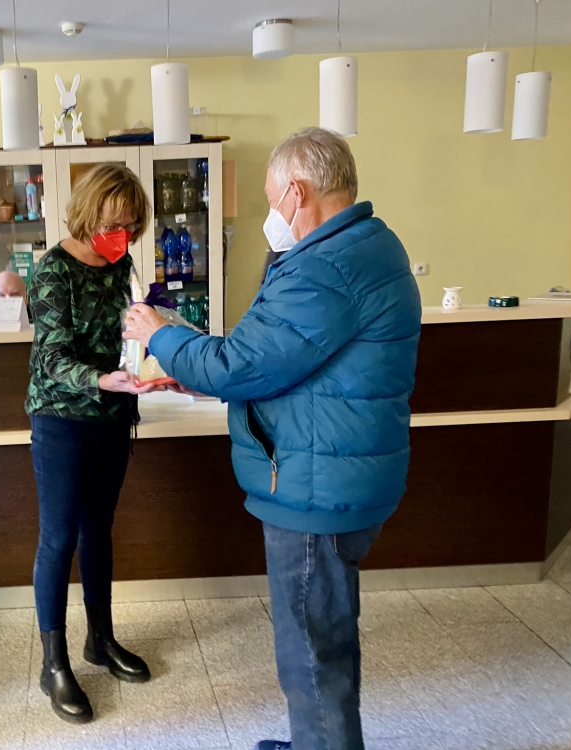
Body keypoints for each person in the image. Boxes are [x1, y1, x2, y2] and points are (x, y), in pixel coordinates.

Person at [125, 127, 422, 750]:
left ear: (297, 190)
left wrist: (159, 335)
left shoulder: (324, 268)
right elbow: (283, 364)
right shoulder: (369, 245)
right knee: (327, 634)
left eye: (270, 198)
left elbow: (241, 365)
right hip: (337, 472)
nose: (271, 213)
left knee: (311, 653)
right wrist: (193, 372)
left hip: (315, 487)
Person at [26, 163, 159, 724]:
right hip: (61, 418)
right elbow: (51, 359)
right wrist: (102, 380)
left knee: (98, 530)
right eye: (112, 225)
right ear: (87, 215)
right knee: (59, 538)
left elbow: (128, 331)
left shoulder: (121, 263)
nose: (120, 236)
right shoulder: (52, 271)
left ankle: (100, 639)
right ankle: (53, 663)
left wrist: (152, 361)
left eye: (130, 225)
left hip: (112, 415)